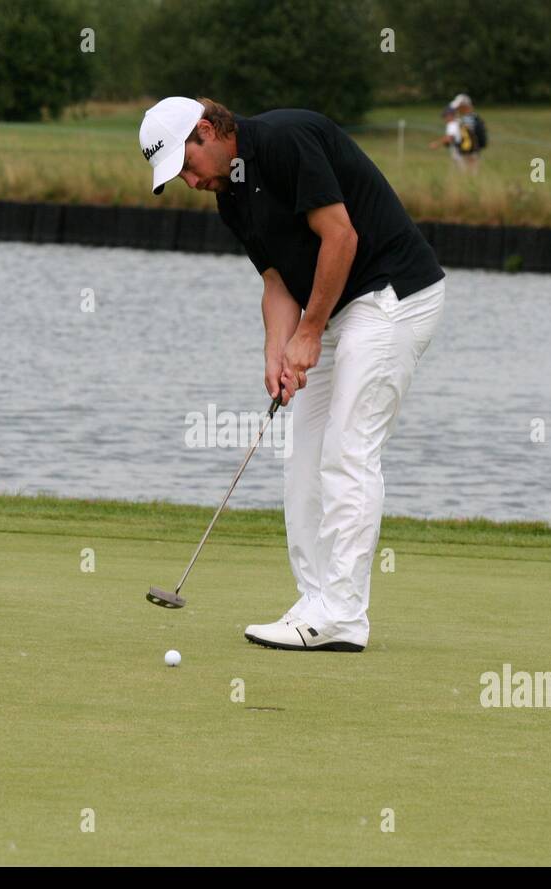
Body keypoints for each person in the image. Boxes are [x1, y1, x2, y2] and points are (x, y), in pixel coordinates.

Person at [138, 96, 446, 652]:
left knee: (347, 451)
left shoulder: (286, 140)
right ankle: (315, 602)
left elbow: (341, 237)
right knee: (303, 455)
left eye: (186, 165)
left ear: (207, 130)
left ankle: (344, 616)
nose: (188, 182)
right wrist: (276, 351)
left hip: (392, 296)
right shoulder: (229, 197)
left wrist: (309, 333)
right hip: (337, 308)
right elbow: (277, 281)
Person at [428, 94, 485, 172]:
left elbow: (450, 137)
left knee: (464, 172)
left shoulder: (461, 121)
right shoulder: (472, 118)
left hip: (465, 151)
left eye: (458, 107)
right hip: (472, 150)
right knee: (471, 171)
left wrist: (436, 144)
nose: (456, 109)